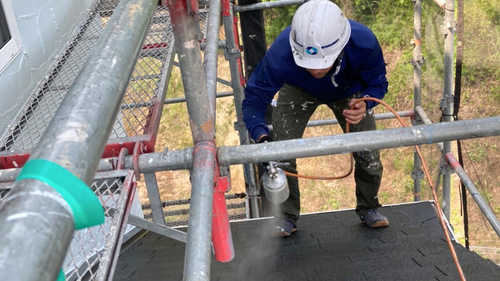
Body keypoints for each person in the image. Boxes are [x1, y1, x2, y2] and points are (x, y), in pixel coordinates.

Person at [242, 0, 389, 237]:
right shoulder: (281, 53)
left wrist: (366, 102)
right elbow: (253, 100)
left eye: (323, 64)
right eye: (308, 64)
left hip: (348, 90)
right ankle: (286, 217)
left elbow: (378, 83)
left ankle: (369, 208)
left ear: (341, 45)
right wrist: (262, 138)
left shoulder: (363, 42)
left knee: (369, 152)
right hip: (298, 88)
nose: (316, 71)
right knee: (279, 153)